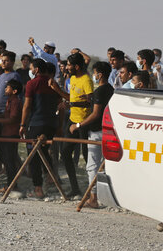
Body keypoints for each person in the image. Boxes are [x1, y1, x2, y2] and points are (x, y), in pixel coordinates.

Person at [49, 52, 93, 197]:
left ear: (77, 66)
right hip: (72, 120)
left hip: (84, 123)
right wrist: (57, 90)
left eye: (69, 65)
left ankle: (92, 191)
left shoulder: (86, 80)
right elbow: (70, 98)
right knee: (66, 153)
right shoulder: (72, 78)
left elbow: (89, 101)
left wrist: (72, 103)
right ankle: (75, 188)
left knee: (88, 159)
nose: (66, 67)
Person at [20, 58, 60, 199]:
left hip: (36, 123)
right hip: (50, 124)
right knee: (44, 151)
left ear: (36, 70)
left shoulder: (32, 84)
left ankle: (38, 188)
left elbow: (27, 106)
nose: (30, 71)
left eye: (31, 68)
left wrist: (23, 124)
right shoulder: (53, 84)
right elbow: (59, 104)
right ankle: (51, 177)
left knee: (34, 157)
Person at [78, 61, 114, 208]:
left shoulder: (100, 91)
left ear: (99, 74)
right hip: (107, 130)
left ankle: (93, 198)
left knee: (92, 166)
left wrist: (78, 125)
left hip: (97, 132)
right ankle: (105, 197)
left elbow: (96, 114)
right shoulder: (111, 89)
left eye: (94, 73)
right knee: (104, 166)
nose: (93, 75)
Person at [0, 79, 22, 193]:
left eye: (8, 87)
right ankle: (11, 185)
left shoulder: (16, 102)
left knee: (9, 161)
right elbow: (6, 115)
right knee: (7, 161)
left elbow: (12, 119)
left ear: (14, 91)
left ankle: (12, 185)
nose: (5, 89)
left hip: (11, 134)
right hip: (6, 133)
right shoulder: (10, 101)